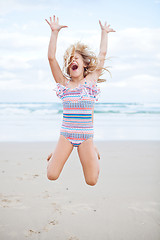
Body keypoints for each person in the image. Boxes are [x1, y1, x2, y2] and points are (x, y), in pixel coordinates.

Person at [45, 15, 115, 186]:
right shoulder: (63, 83)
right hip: (66, 135)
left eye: (76, 58)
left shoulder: (90, 81)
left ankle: (93, 149)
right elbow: (51, 58)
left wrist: (104, 33)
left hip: (86, 137)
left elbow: (102, 53)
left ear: (84, 64)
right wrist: (54, 32)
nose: (73, 61)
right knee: (51, 175)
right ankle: (57, 152)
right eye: (70, 60)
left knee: (91, 181)